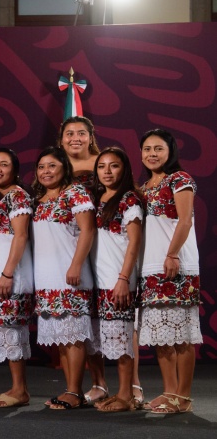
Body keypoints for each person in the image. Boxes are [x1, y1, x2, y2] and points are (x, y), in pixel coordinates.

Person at [137, 129, 201, 414]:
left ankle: (183, 397)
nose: (152, 154)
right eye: (147, 149)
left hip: (176, 264)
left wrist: (172, 254)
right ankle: (169, 392)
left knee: (182, 333)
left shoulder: (180, 179)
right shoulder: (145, 186)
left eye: (158, 149)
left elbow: (184, 221)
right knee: (162, 334)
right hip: (151, 267)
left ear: (170, 151)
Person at [31, 146, 95, 410]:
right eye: (41, 167)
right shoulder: (41, 199)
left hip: (71, 275)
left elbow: (88, 230)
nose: (46, 172)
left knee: (74, 336)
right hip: (47, 278)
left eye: (52, 166)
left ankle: (75, 391)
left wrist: (76, 265)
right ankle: (72, 390)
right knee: (62, 339)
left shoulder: (75, 194)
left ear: (64, 168)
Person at [57, 115, 107, 405]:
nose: (74, 138)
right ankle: (98, 383)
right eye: (69, 133)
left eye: (81, 133)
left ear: (91, 136)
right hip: (70, 246)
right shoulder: (57, 167)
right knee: (85, 319)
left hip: (105, 240)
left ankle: (133, 385)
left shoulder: (103, 162)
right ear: (61, 138)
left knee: (115, 317)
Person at [89, 147, 143, 412]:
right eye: (102, 166)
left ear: (125, 170)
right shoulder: (98, 198)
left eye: (114, 166)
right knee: (105, 338)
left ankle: (126, 396)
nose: (107, 172)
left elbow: (134, 243)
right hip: (98, 279)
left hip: (117, 279)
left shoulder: (129, 199)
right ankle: (115, 392)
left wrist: (123, 278)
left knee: (121, 338)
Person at [0, 148, 34, 408]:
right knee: (7, 327)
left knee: (13, 327)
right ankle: (17, 387)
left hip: (12, 273)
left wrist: (7, 272)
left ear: (15, 169)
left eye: (4, 164)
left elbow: (21, 236)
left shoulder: (18, 196)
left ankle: (20, 390)